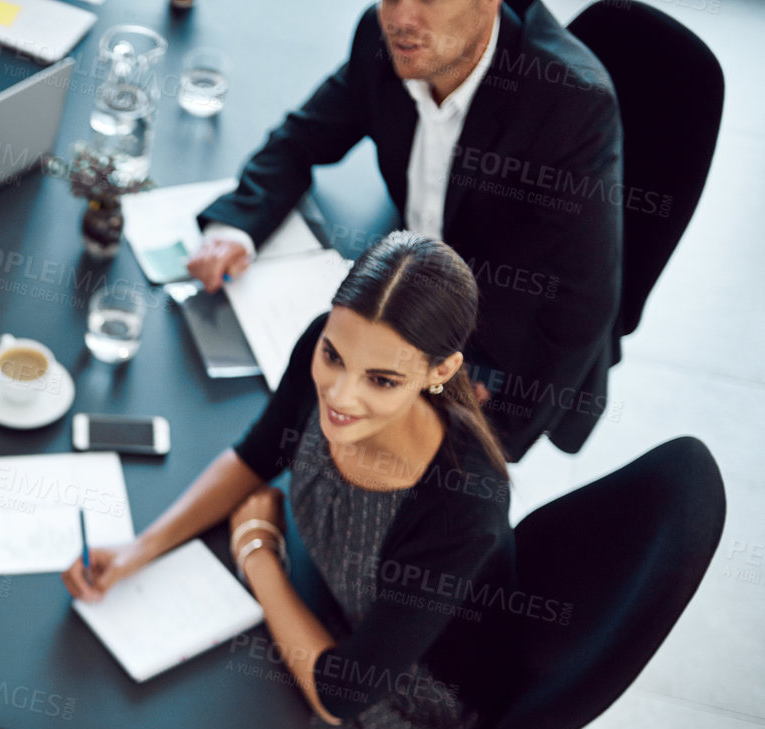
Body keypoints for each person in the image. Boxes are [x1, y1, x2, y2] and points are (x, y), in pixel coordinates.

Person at [61, 233, 514, 729]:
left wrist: (258, 556)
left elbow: (340, 693)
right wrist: (139, 549)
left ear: (439, 372)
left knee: (152, 704)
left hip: (395, 693)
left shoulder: (460, 510)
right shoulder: (324, 346)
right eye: (333, 355)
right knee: (108, 650)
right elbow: (255, 454)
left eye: (382, 380)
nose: (341, 394)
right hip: (323, 589)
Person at [187, 0, 621, 462]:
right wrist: (238, 225)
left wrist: (494, 436)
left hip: (492, 344)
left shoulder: (570, 104)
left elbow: (583, 302)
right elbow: (302, 138)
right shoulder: (383, 41)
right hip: (406, 288)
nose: (400, 19)